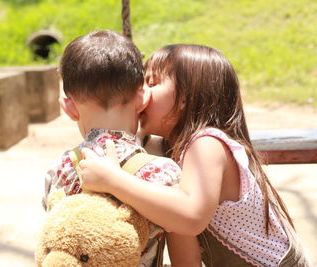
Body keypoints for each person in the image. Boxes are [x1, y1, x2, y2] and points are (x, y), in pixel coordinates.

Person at [78, 44, 311, 266]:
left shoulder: (207, 144)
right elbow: (186, 259)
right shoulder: (172, 151)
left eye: (152, 83)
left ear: (185, 99)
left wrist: (113, 180)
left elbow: (190, 216)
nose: (142, 95)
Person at [42, 30, 193, 266]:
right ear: (143, 98)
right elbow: (185, 260)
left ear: (68, 107)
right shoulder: (164, 174)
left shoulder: (58, 171)